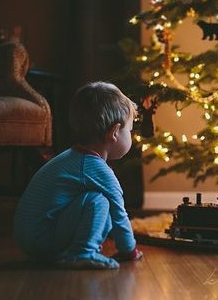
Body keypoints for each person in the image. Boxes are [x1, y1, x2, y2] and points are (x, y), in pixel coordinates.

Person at [14, 81, 143, 269]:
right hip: (42, 238)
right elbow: (119, 213)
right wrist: (129, 250)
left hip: (30, 237)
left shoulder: (72, 158)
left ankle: (77, 251)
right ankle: (82, 253)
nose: (130, 135)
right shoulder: (97, 169)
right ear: (114, 132)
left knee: (98, 203)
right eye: (129, 130)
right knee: (100, 201)